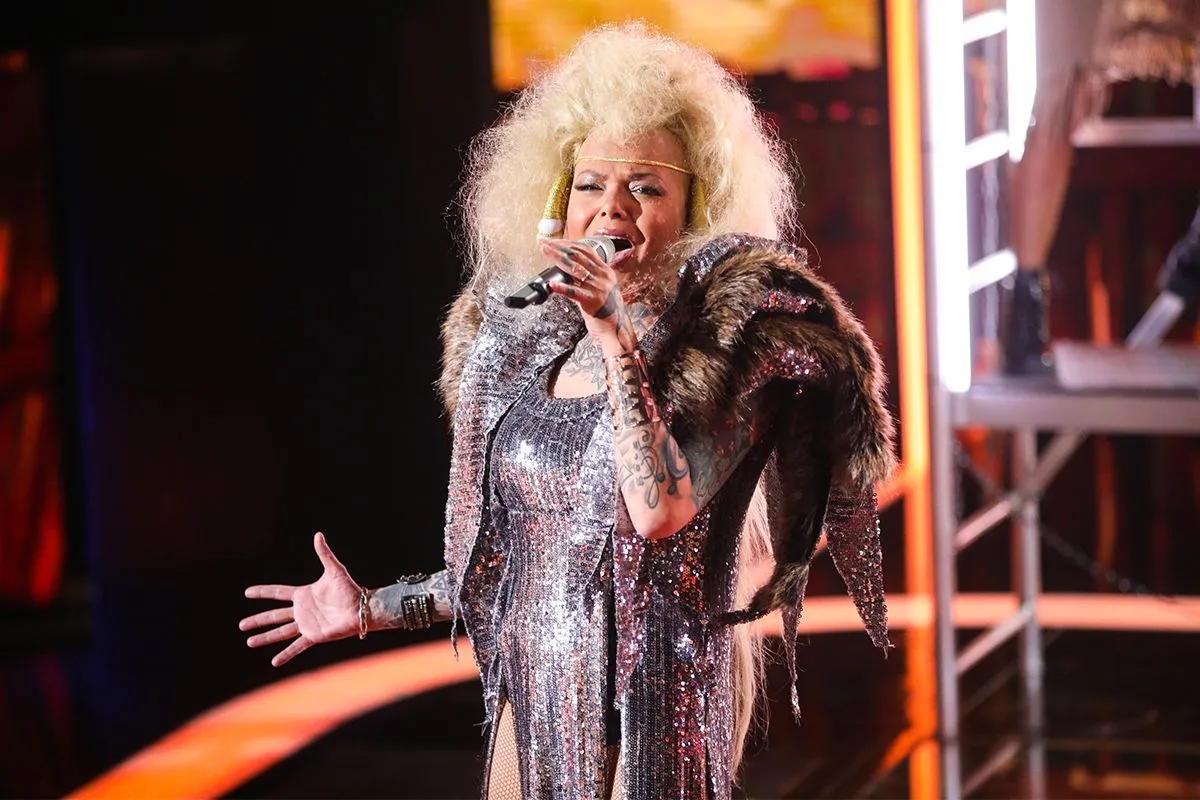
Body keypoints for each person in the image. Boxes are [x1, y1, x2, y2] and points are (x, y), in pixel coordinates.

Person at [240, 21, 895, 800]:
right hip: (531, 711)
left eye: (646, 187)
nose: (612, 208)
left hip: (651, 718)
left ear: (695, 207)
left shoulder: (728, 354)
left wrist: (617, 335)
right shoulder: (529, 352)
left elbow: (658, 512)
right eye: (590, 185)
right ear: (558, 200)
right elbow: (511, 567)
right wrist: (371, 609)